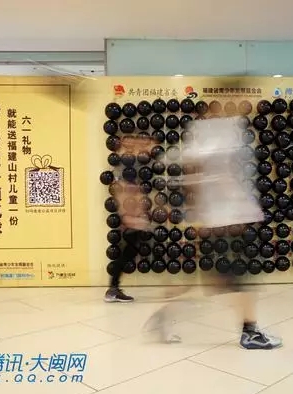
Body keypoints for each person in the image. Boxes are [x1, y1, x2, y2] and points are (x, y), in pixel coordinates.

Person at [148, 82, 282, 350]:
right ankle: (250, 332)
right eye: (242, 95)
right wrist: (207, 206)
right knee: (241, 276)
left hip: (227, 216)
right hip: (223, 218)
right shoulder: (215, 130)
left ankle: (164, 315)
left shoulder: (227, 128)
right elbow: (193, 165)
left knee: (211, 278)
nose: (247, 102)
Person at [104, 135, 153, 303]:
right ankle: (112, 290)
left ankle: (113, 289)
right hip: (131, 219)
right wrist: (128, 217)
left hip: (135, 218)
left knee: (129, 253)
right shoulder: (124, 170)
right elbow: (122, 196)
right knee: (126, 254)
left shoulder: (131, 168)